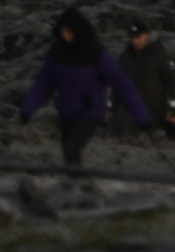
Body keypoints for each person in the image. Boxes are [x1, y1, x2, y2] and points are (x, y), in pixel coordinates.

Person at [19, 9, 150, 168]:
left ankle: (80, 186)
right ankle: (77, 186)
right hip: (66, 112)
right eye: (62, 32)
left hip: (90, 112)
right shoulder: (56, 52)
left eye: (68, 32)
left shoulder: (96, 54)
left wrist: (141, 117)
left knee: (72, 150)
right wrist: (28, 109)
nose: (66, 36)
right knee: (69, 155)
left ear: (78, 31)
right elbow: (43, 83)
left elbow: (122, 85)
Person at [114, 21, 175, 141]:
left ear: (147, 35)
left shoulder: (161, 55)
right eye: (132, 38)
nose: (135, 41)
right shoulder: (125, 57)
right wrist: (112, 108)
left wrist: (174, 109)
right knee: (125, 140)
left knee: (159, 139)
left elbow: (174, 83)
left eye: (138, 37)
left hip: (156, 114)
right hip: (130, 115)